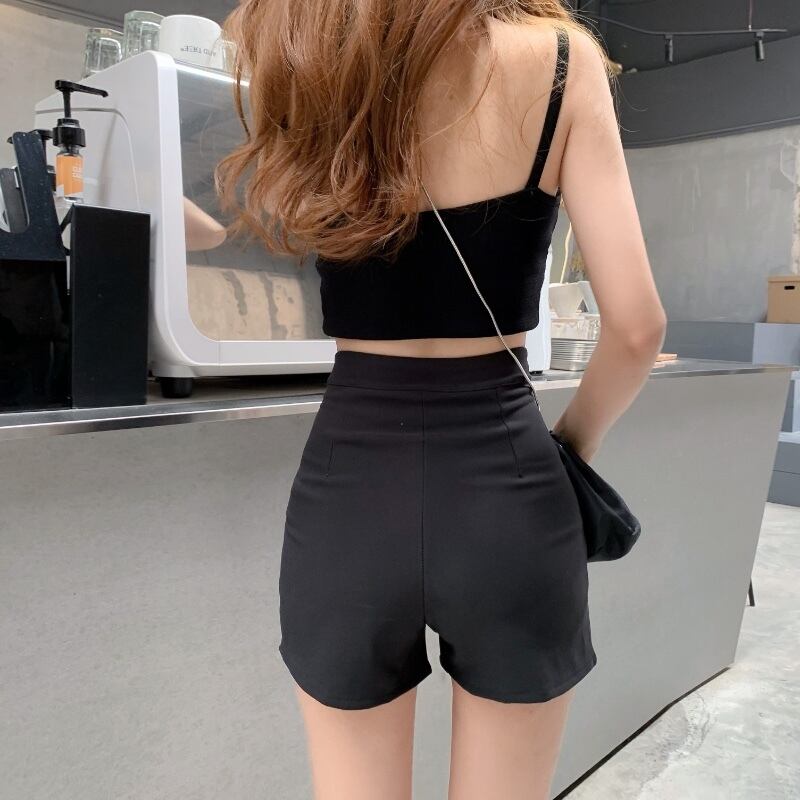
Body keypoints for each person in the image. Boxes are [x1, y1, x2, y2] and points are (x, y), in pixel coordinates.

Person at [217, 2, 666, 798]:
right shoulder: (561, 61)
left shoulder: (294, 40)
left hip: (349, 495)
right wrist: (569, 450)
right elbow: (636, 330)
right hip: (509, 486)